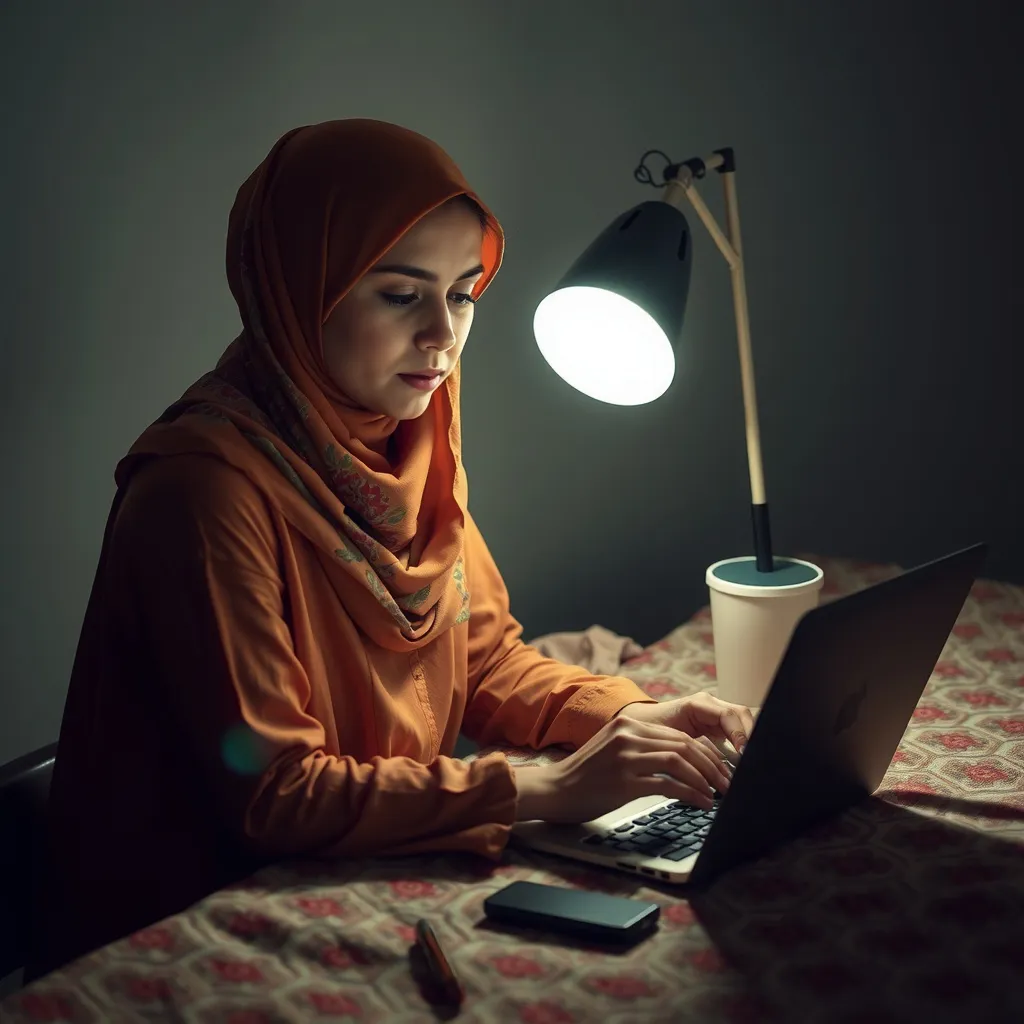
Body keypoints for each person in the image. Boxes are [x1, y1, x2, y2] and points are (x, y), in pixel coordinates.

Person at [28, 119, 754, 978]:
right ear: (303, 287)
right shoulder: (203, 490)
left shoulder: (407, 447)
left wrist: (629, 717)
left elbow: (485, 665)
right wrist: (548, 789)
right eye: (400, 294)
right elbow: (277, 793)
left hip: (373, 876)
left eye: (464, 293)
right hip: (192, 934)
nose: (443, 336)